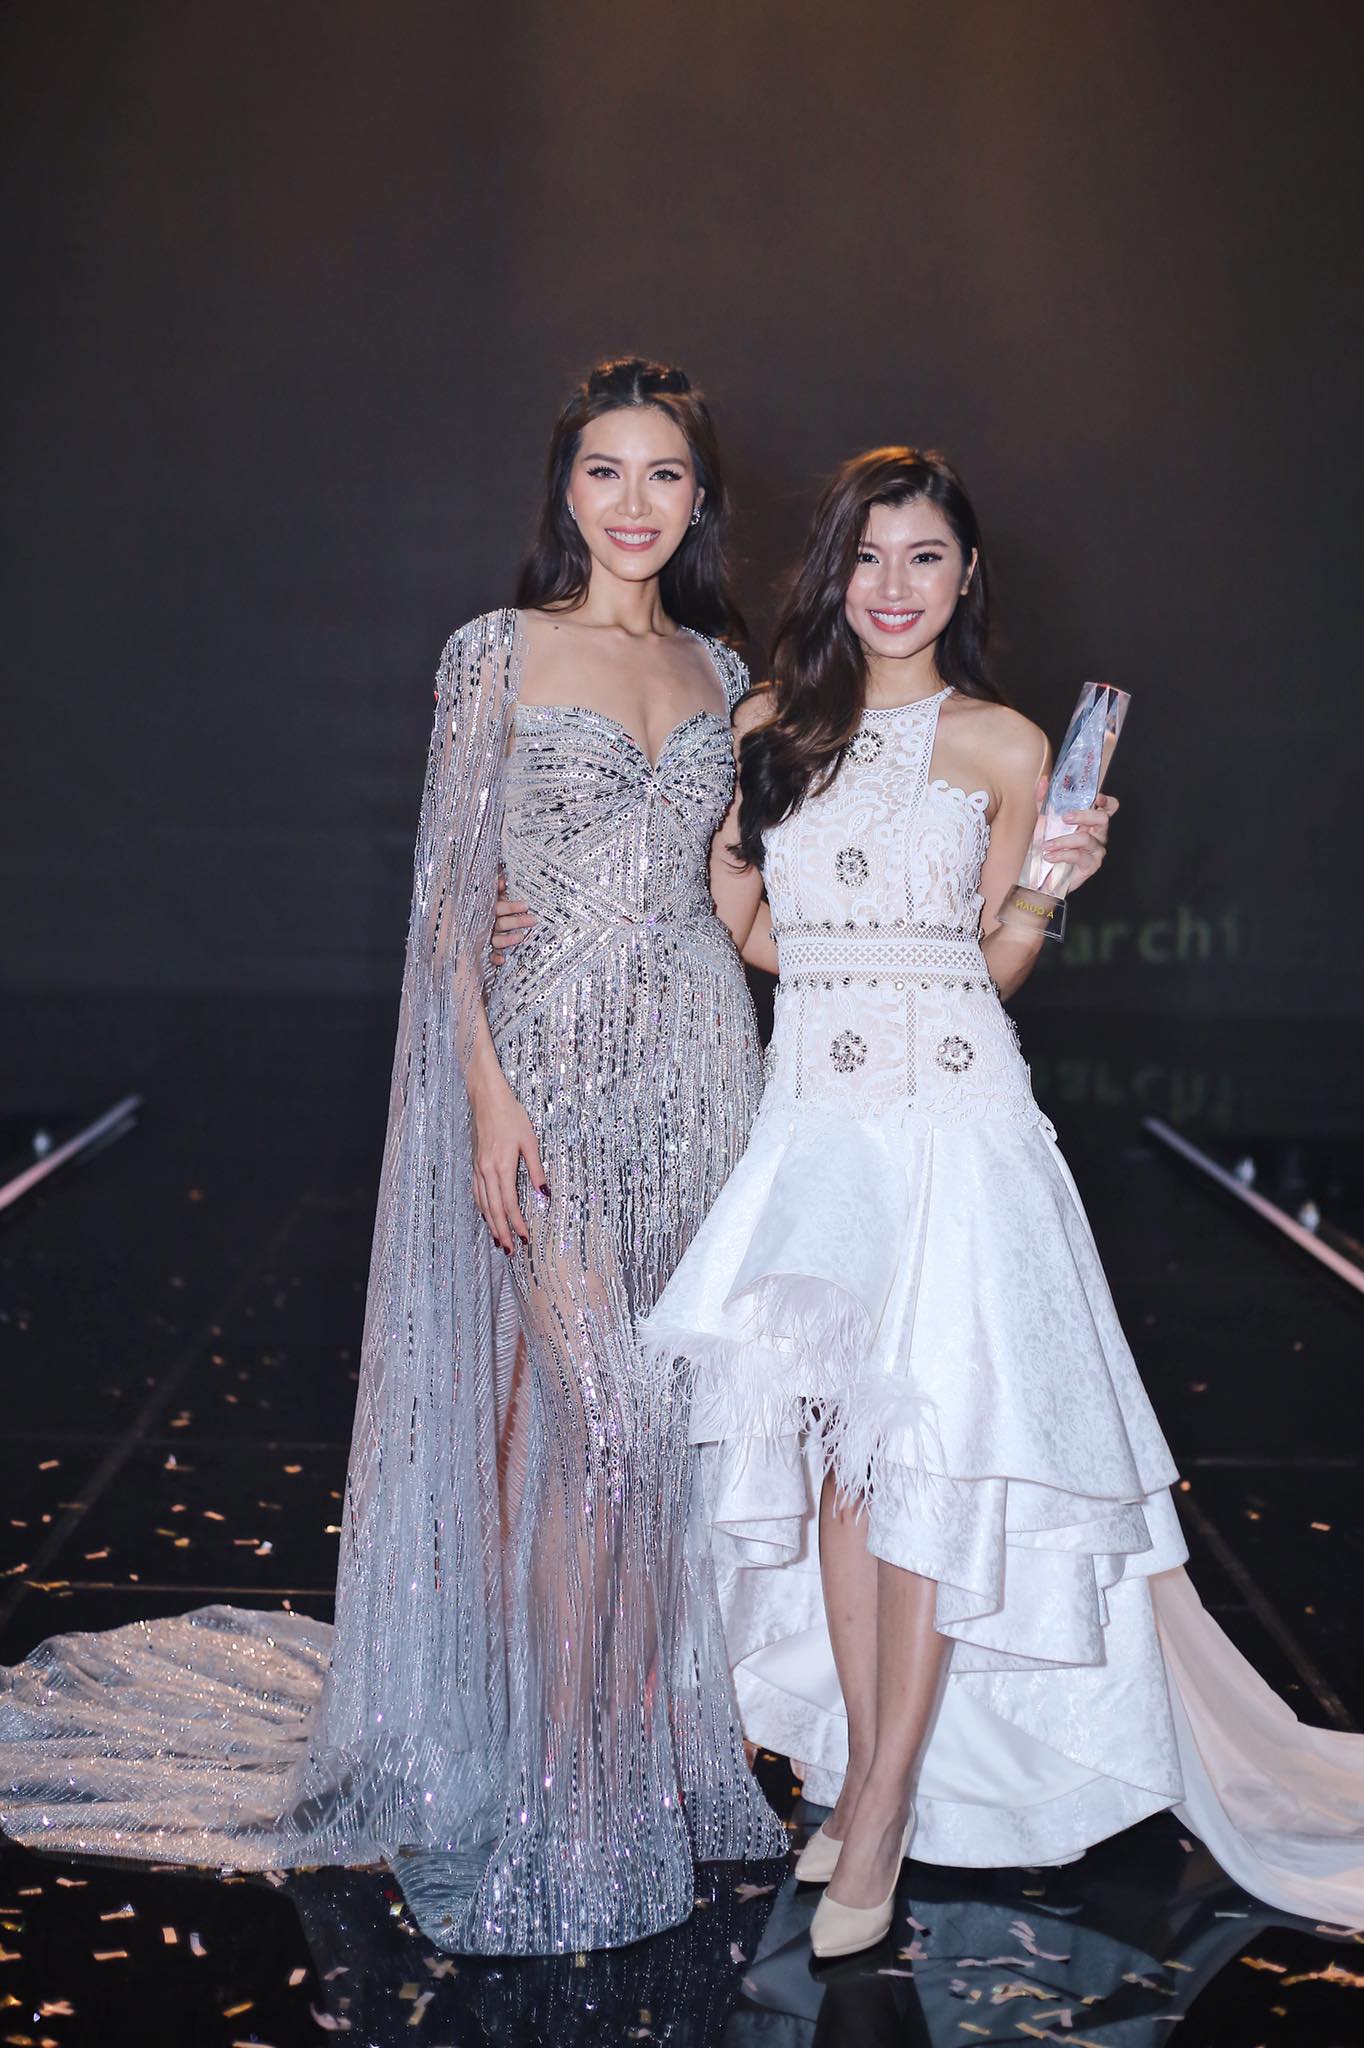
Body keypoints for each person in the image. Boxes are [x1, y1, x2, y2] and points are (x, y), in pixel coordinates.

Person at [0, 357, 786, 1954]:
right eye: (605, 471)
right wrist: (488, 1097)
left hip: (704, 1080)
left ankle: (632, 1758)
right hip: (549, 1084)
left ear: (702, 498)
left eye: (665, 475)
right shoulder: (496, 650)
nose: (633, 503)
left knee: (656, 1453)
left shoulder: (724, 669)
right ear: (563, 488)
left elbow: (734, 901)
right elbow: (444, 903)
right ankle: (569, 1792)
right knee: (602, 1434)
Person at [630, 447, 1364, 1957]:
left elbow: (994, 962)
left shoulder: (1011, 744)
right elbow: (752, 930)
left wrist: (1047, 887)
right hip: (816, 1127)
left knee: (932, 1469)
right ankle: (858, 1771)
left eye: (925, 558)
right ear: (835, 573)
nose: (893, 587)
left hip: (958, 1135)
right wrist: (744, 896)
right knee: (838, 1473)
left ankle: (885, 1805)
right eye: (869, 557)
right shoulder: (772, 726)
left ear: (966, 577)